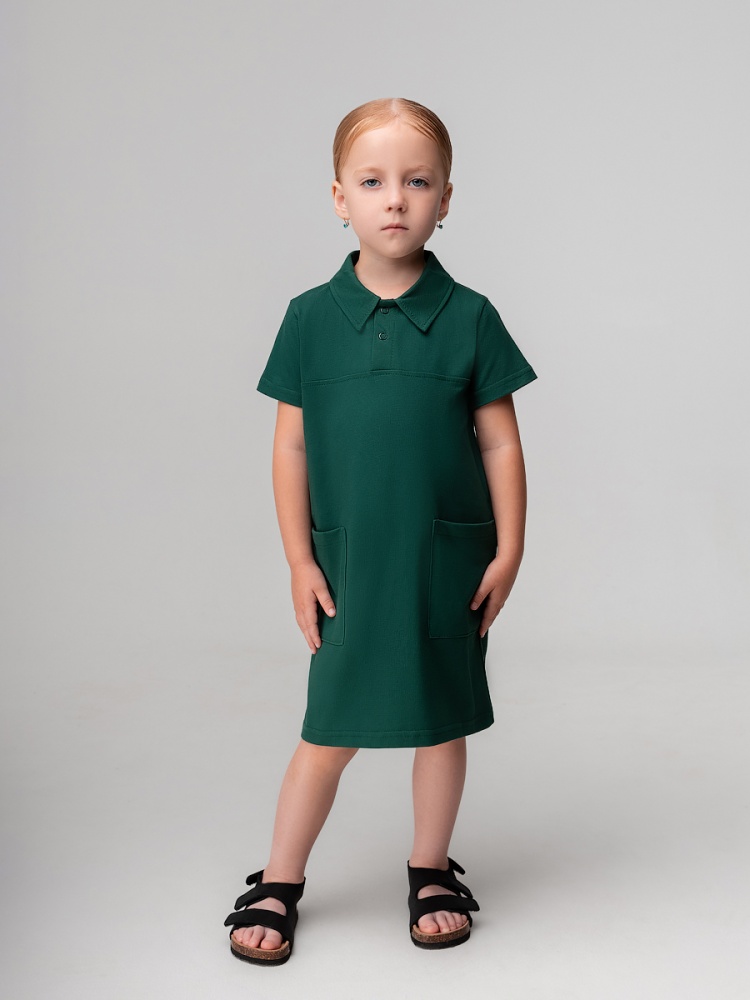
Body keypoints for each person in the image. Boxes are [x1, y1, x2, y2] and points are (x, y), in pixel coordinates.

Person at [223, 97, 538, 965]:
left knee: (440, 722)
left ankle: (430, 867)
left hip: (443, 561)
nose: (395, 198)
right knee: (329, 729)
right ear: (339, 198)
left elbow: (500, 441)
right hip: (350, 565)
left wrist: (511, 549)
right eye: (372, 181)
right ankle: (281, 877)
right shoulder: (307, 317)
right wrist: (298, 559)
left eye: (417, 181)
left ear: (445, 199)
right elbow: (290, 446)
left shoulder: (471, 316)